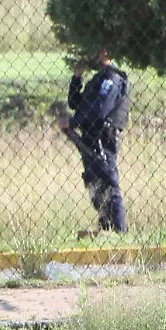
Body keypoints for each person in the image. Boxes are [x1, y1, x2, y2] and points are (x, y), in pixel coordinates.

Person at [61, 49, 130, 235]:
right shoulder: (97, 80)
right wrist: (77, 77)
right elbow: (75, 102)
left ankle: (120, 232)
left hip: (102, 136)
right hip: (89, 137)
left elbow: (100, 109)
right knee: (94, 182)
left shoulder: (112, 78)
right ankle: (106, 227)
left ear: (105, 53)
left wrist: (73, 122)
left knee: (109, 182)